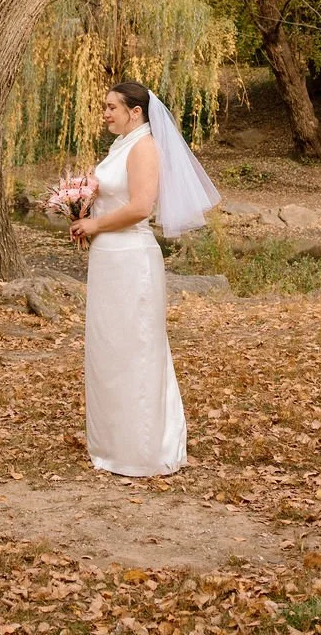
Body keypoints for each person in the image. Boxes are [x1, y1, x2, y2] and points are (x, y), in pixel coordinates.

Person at [71, 81, 220, 477]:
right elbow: (109, 196)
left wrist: (95, 223)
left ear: (135, 112)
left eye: (111, 107)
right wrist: (79, 207)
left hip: (132, 258)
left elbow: (140, 207)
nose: (104, 113)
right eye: (104, 107)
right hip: (107, 259)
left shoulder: (144, 147)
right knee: (110, 348)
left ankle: (143, 449)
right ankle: (112, 444)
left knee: (136, 346)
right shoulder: (119, 147)